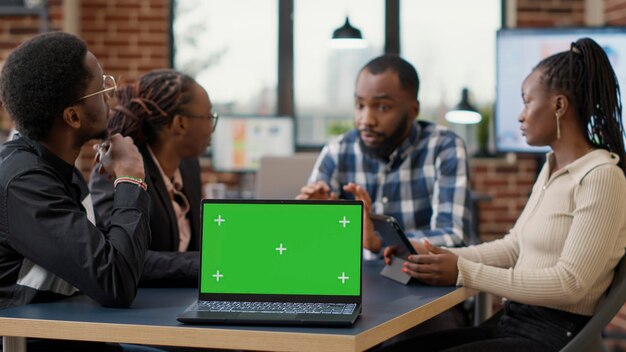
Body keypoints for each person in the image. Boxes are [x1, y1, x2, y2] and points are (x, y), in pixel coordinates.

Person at [380, 37, 626, 352]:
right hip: (513, 321)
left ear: (559, 105)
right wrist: (430, 253)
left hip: (551, 336)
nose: (521, 115)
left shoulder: (601, 176)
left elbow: (571, 285)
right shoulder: (551, 167)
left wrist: (463, 271)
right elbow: (513, 248)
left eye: (527, 101)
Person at [0, 32, 150, 350]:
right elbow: (115, 282)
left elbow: (115, 257)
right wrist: (130, 179)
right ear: (73, 116)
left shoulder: (57, 168)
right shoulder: (25, 184)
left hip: (80, 335)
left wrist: (200, 268)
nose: (110, 99)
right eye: (102, 89)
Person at [297, 54, 472, 253]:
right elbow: (309, 244)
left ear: (413, 110)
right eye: (360, 105)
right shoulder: (337, 150)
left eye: (382, 107)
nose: (366, 120)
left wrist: (378, 241)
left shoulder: (444, 147)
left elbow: (453, 237)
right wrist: (313, 219)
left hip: (419, 279)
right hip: (354, 279)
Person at [89, 69, 215, 286]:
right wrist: (209, 264)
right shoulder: (119, 170)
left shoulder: (188, 164)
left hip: (181, 298)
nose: (212, 127)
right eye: (209, 116)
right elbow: (120, 257)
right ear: (180, 124)